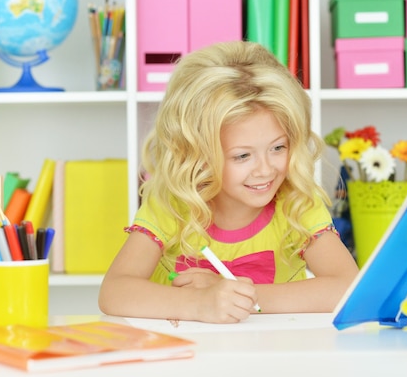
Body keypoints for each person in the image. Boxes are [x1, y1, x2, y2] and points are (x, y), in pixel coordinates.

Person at [98, 41, 359, 323]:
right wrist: (199, 304)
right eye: (243, 155)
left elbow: (349, 287)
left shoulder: (296, 205)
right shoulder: (173, 205)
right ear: (199, 155)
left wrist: (241, 298)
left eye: (278, 148)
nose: (265, 170)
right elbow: (114, 292)